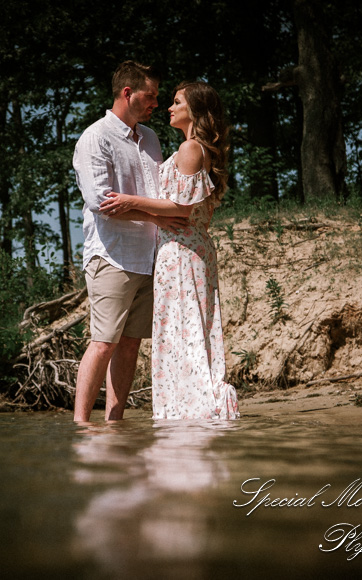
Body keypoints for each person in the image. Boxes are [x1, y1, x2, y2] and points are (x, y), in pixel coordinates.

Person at [99, 81, 239, 420]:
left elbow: (181, 208)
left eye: (177, 102)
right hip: (181, 248)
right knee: (183, 330)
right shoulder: (193, 148)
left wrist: (131, 201)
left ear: (195, 110)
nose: (169, 107)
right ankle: (185, 409)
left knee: (185, 330)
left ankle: (193, 409)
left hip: (183, 251)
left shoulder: (192, 149)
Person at [72, 61, 188, 422]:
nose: (157, 103)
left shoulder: (150, 138)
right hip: (111, 256)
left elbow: (156, 191)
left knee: (130, 343)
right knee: (104, 342)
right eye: (150, 96)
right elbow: (101, 203)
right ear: (127, 93)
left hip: (149, 256)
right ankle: (80, 425)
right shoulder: (96, 138)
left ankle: (114, 422)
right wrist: (154, 216)